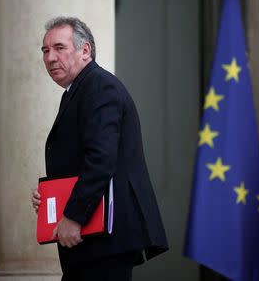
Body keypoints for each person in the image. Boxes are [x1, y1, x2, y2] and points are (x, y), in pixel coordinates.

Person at [31, 16, 168, 281]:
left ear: (85, 51)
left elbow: (101, 159)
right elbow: (82, 161)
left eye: (60, 48)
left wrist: (73, 215)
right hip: (92, 240)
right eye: (46, 50)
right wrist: (52, 198)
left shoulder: (99, 86)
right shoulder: (79, 89)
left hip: (104, 238)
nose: (50, 57)